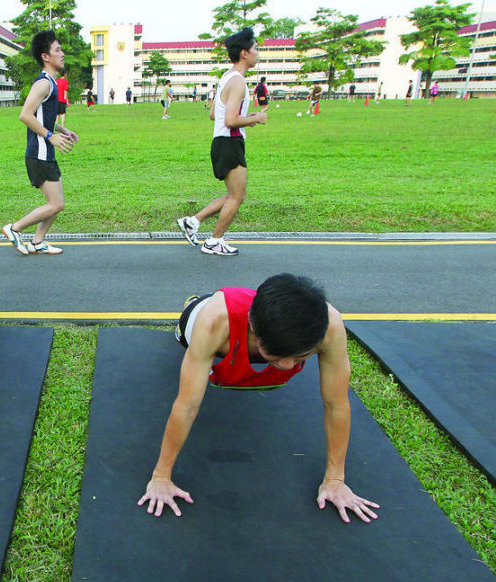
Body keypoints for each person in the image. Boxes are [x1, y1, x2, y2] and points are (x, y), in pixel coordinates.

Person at [138, 273, 381, 524]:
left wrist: (335, 480)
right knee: (189, 328)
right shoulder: (214, 322)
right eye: (278, 356)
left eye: (301, 357)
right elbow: (187, 406)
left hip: (257, 326)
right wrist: (161, 477)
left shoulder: (329, 327)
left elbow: (336, 404)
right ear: (254, 329)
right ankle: (193, 301)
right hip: (214, 319)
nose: (287, 366)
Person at [175, 28, 266, 257]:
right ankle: (214, 241)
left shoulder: (226, 77)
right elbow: (230, 119)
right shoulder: (237, 82)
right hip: (230, 142)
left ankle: (193, 222)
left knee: (233, 195)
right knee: (237, 196)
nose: (258, 53)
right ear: (244, 53)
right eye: (255, 49)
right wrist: (256, 118)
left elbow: (214, 114)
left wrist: (246, 116)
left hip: (222, 142)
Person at [2, 30, 79, 257]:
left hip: (46, 152)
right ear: (46, 56)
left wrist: (62, 129)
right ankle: (14, 229)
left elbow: (42, 117)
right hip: (39, 153)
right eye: (58, 50)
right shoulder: (43, 84)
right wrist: (49, 136)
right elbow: (25, 115)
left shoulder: (52, 84)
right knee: (56, 204)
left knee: (58, 202)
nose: (62, 54)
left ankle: (37, 241)